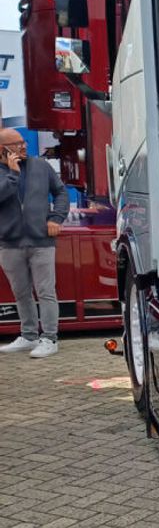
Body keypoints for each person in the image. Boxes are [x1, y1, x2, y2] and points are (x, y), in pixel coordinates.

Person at [0, 127, 69, 358]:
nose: (23, 146)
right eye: (16, 143)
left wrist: (56, 218)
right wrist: (13, 174)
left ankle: (50, 338)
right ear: (2, 150)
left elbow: (60, 193)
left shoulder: (41, 166)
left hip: (41, 241)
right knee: (21, 293)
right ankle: (28, 336)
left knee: (45, 291)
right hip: (9, 243)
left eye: (23, 142)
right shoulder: (5, 172)